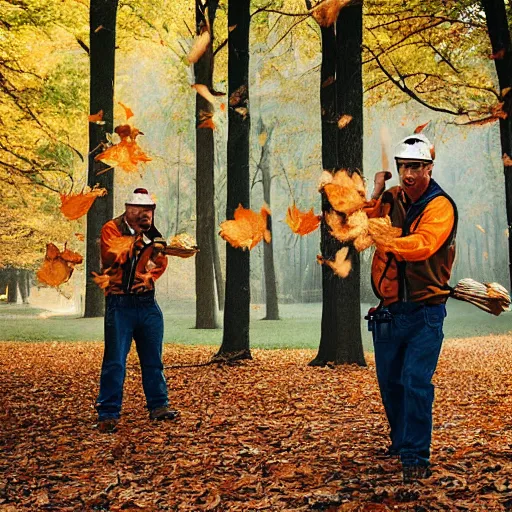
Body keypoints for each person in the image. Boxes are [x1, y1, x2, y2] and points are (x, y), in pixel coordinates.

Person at [368, 133, 458, 483]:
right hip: (390, 311)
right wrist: (376, 190)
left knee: (415, 382)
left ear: (429, 168)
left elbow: (423, 245)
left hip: (425, 311)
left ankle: (415, 457)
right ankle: (403, 442)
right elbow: (366, 216)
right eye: (404, 166)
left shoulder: (440, 206)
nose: (408, 174)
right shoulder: (392, 197)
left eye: (416, 167)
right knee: (390, 384)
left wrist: (384, 240)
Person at [95, 188, 179, 433]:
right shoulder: (111, 229)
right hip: (120, 304)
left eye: (150, 211)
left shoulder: (154, 235)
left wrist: (150, 276)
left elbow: (160, 260)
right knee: (115, 361)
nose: (146, 215)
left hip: (147, 303)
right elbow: (114, 256)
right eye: (140, 210)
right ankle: (108, 413)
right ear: (128, 209)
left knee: (153, 358)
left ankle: (159, 406)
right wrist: (145, 245)